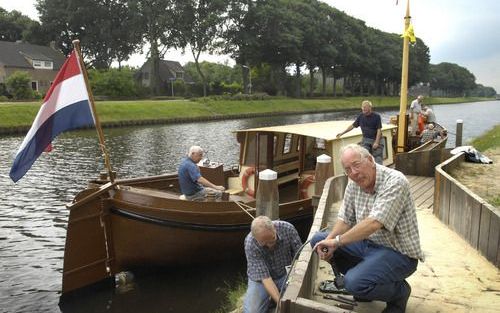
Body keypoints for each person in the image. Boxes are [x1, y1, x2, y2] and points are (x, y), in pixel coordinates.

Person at [311, 144, 423, 313]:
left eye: (356, 165)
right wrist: (329, 241)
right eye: (348, 169)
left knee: (352, 283)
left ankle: (400, 293)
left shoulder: (395, 181)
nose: (353, 173)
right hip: (369, 246)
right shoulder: (354, 182)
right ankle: (366, 288)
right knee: (318, 240)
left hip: (399, 253)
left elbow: (374, 223)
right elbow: (345, 219)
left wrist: (337, 241)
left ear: (370, 160)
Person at [243, 215, 302, 313]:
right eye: (264, 243)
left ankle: (272, 299)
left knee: (294, 301)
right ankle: (272, 299)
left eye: (272, 239)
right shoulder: (250, 243)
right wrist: (280, 304)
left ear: (274, 228)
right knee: (252, 311)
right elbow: (265, 278)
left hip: (285, 274)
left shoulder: (288, 229)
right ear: (255, 238)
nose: (269, 245)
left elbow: (300, 255)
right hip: (260, 279)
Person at [337, 100, 384, 165]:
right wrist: (342, 133)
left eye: (365, 107)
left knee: (377, 157)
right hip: (366, 139)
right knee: (362, 156)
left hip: (376, 139)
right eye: (362, 107)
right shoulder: (361, 116)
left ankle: (378, 172)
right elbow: (352, 126)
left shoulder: (376, 116)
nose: (363, 108)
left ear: (370, 108)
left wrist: (376, 142)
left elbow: (379, 130)